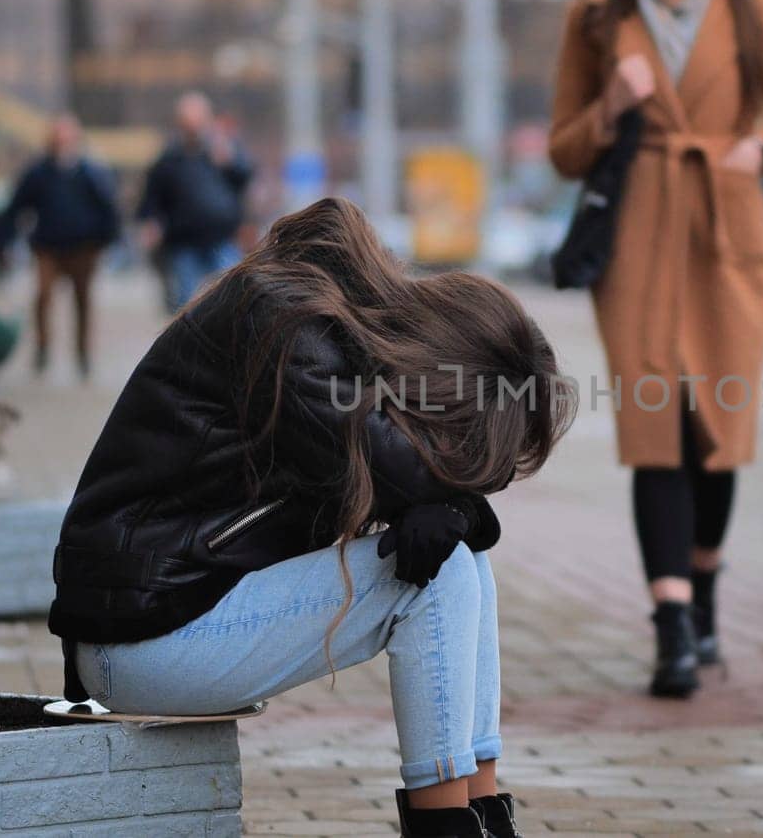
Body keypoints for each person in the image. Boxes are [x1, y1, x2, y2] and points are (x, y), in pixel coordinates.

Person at [49, 198, 575, 838]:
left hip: (173, 612)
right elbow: (395, 467)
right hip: (136, 643)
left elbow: (425, 488)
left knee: (464, 562)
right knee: (441, 581)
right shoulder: (286, 327)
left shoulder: (314, 323)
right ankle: (449, 826)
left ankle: (483, 817)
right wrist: (461, 501)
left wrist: (459, 507)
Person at [548, 0, 763, 699]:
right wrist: (611, 107)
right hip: (637, 246)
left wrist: (758, 152)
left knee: (716, 432)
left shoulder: (756, 9)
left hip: (725, 240)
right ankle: (672, 625)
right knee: (658, 431)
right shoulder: (595, 16)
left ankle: (703, 585)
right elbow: (563, 150)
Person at [1, 115, 121, 379]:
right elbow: (17, 206)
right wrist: (5, 239)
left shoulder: (90, 172)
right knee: (43, 296)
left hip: (83, 247)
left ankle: (83, 354)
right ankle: (43, 347)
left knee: (83, 301)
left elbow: (107, 208)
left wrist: (107, 240)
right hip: (48, 248)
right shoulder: (38, 173)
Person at [138, 91, 256, 313]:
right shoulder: (169, 159)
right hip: (183, 242)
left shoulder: (223, 151)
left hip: (222, 239)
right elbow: (151, 198)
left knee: (232, 300)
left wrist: (230, 161)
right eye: (187, 122)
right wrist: (151, 223)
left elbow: (246, 179)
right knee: (185, 305)